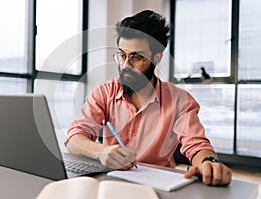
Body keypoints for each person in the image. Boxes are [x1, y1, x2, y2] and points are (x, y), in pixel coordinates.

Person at [65, 10, 232, 186]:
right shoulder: (105, 92)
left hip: (158, 187)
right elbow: (74, 138)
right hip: (111, 183)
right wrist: (101, 151)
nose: (125, 65)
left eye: (136, 57)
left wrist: (209, 164)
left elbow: (197, 146)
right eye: (122, 55)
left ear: (156, 58)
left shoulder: (180, 100)